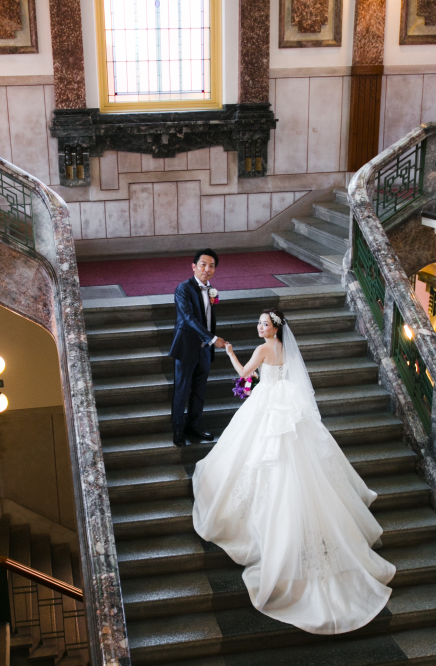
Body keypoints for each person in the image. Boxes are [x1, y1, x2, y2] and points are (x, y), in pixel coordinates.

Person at [192, 307, 395, 635]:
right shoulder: (286, 349)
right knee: (296, 457)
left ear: (275, 328)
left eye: (264, 324)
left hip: (268, 406)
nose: (260, 327)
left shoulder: (262, 349)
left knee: (255, 454)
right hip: (285, 406)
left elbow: (244, 373)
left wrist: (229, 352)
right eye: (259, 322)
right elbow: (282, 376)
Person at [169, 248, 227, 448]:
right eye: (203, 264)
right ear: (194, 266)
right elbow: (189, 319)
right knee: (182, 390)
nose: (207, 269)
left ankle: (194, 425)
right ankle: (178, 429)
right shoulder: (183, 289)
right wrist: (213, 339)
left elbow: (208, 318)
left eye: (212, 266)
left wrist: (209, 342)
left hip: (205, 350)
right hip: (187, 347)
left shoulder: (212, 290)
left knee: (199, 390)